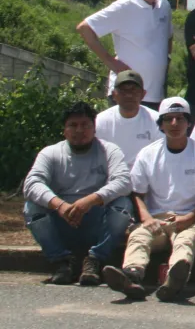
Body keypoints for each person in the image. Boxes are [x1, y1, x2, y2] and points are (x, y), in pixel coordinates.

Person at [103, 97, 195, 302]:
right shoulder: (147, 154)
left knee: (186, 242)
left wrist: (190, 218)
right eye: (169, 119)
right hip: (155, 218)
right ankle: (131, 276)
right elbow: (137, 194)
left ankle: (173, 281)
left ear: (189, 122)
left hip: (189, 220)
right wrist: (147, 218)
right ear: (161, 124)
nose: (174, 124)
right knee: (139, 237)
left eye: (180, 119)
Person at [23, 102, 133, 286]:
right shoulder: (50, 153)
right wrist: (59, 205)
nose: (79, 130)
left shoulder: (109, 151)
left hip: (97, 221)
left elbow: (124, 182)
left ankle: (94, 261)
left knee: (123, 205)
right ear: (64, 130)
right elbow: (31, 184)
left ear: (94, 128)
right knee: (31, 207)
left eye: (85, 125)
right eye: (73, 125)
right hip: (62, 221)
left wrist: (90, 201)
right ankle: (62, 263)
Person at [77, 0, 172, 108]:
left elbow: (168, 35)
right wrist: (111, 62)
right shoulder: (124, 7)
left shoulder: (164, 6)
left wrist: (166, 58)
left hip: (155, 96)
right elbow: (85, 28)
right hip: (126, 94)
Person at [94, 70, 160, 166]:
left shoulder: (156, 120)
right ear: (114, 95)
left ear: (143, 94)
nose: (129, 94)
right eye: (123, 90)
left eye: (134, 90)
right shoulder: (101, 121)